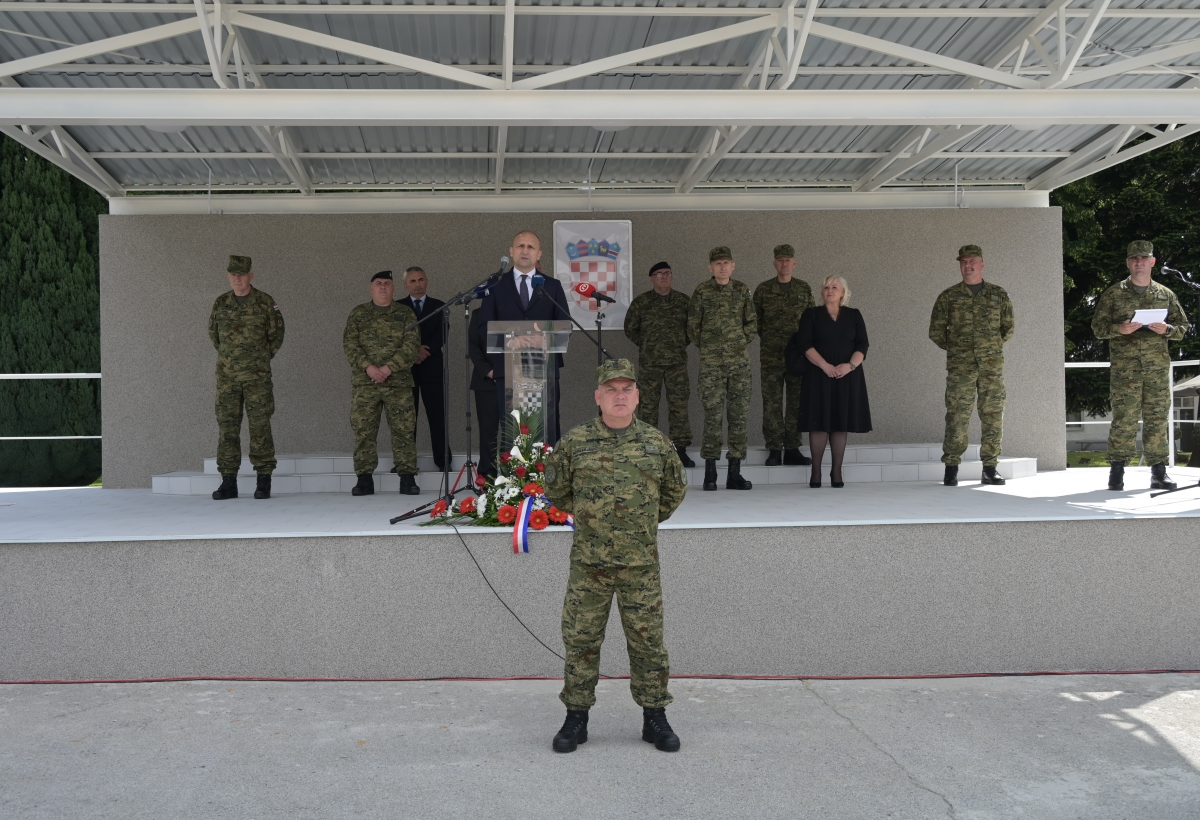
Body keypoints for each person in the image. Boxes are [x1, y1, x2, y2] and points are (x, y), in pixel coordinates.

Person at [542, 358, 688, 754]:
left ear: (638, 396)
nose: (619, 396)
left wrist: (638, 526)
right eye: (611, 389)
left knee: (648, 645)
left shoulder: (656, 444)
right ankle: (576, 718)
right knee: (581, 641)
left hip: (640, 565)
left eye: (626, 389)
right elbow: (556, 490)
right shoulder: (575, 442)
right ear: (598, 397)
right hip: (590, 565)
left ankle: (654, 717)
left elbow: (673, 492)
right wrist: (595, 522)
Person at [1092, 240, 1190, 491]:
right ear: (1128, 262)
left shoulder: (1165, 294)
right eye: (1134, 258)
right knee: (1124, 419)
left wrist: (1167, 329)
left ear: (1152, 262)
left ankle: (1158, 472)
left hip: (1156, 370)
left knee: (1157, 419)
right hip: (1126, 371)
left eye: (1143, 258)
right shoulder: (1114, 294)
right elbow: (1098, 328)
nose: (1139, 262)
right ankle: (1117, 471)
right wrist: (1119, 329)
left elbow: (1183, 328)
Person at [928, 244, 1015, 487]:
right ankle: (951, 468)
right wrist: (958, 349)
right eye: (964, 262)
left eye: (973, 261)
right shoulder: (949, 296)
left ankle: (990, 468)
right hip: (960, 368)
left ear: (982, 264)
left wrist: (988, 348)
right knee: (957, 416)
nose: (968, 265)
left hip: (991, 367)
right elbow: (936, 331)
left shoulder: (998, 294)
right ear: (960, 265)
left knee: (993, 415)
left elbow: (1008, 327)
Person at [476, 231, 571, 443]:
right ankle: (515, 476)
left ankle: (547, 475)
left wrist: (545, 340)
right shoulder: (496, 284)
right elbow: (483, 326)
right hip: (509, 369)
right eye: (520, 246)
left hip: (543, 368)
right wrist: (511, 341)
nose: (525, 250)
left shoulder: (552, 285)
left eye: (530, 247)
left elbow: (565, 325)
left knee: (545, 431)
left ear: (539, 254)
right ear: (511, 252)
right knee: (513, 432)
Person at [207, 255, 284, 501]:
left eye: (241, 274)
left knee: (260, 426)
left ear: (251, 275)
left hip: (257, 378)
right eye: (233, 274)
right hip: (228, 378)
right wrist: (233, 360)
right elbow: (214, 336)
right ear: (228, 276)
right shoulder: (221, 303)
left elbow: (277, 335)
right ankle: (228, 481)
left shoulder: (265, 302)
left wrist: (258, 360)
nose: (237, 278)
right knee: (227, 428)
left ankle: (263, 480)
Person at [786, 275, 871, 488]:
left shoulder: (854, 315)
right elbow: (805, 344)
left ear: (843, 292)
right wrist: (825, 366)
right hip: (818, 375)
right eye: (826, 287)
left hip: (847, 376)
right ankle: (816, 473)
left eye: (834, 287)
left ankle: (836, 472)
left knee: (840, 423)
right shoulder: (811, 314)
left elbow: (862, 345)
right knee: (818, 422)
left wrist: (849, 366)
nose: (829, 290)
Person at [342, 271, 422, 496]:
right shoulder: (358, 314)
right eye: (378, 283)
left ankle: (407, 478)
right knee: (364, 431)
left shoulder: (405, 314)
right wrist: (369, 367)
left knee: (403, 430)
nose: (383, 287)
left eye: (387, 283)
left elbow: (411, 345)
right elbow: (350, 345)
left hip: (398, 383)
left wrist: (388, 368)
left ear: (394, 288)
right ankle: (364, 479)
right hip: (365, 384)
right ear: (371, 288)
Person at [687, 246, 756, 491]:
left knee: (738, 417)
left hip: (739, 365)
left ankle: (735, 473)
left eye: (726, 262)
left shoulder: (741, 290)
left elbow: (751, 324)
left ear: (733, 266)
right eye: (718, 263)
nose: (722, 267)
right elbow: (693, 327)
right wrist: (710, 347)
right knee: (712, 418)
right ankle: (710, 473)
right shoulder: (702, 291)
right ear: (710, 268)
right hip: (711, 365)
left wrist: (735, 345)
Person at [623, 261, 695, 467]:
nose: (664, 277)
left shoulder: (683, 301)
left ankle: (679, 450)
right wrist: (648, 345)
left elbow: (691, 330)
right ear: (651, 278)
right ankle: (648, 449)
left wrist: (678, 344)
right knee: (648, 407)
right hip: (650, 365)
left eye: (668, 273)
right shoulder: (641, 303)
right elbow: (630, 329)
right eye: (659, 274)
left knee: (679, 407)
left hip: (677, 364)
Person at [754, 244, 814, 467]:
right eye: (780, 260)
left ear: (795, 263)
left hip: (798, 358)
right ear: (774, 264)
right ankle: (774, 449)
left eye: (788, 260)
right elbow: (756, 322)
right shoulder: (763, 290)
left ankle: (792, 448)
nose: (784, 263)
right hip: (771, 357)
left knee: (796, 404)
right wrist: (772, 339)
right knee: (771, 404)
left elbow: (811, 322)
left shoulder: (803, 289)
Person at [396, 266, 451, 472]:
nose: (417, 284)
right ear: (405, 285)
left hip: (432, 367)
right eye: (412, 281)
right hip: (405, 369)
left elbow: (443, 333)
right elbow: (394, 336)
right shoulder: (397, 308)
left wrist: (424, 351)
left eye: (421, 280)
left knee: (437, 415)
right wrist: (414, 351)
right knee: (406, 417)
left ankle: (443, 459)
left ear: (427, 281)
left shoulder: (440, 306)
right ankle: (405, 461)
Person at [468, 306, 500, 480]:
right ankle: (488, 473)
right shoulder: (479, 314)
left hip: (516, 381)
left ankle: (516, 473)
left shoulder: (519, 311)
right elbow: (473, 345)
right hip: (486, 381)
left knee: (516, 431)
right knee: (488, 431)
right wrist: (488, 371)